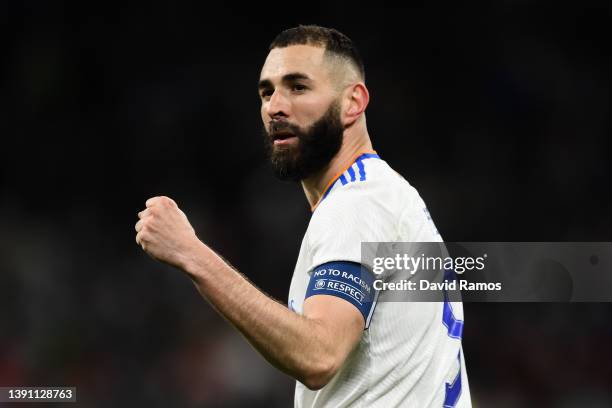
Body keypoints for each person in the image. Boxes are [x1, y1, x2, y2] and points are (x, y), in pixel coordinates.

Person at [135, 25, 471, 407]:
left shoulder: (358, 202)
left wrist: (191, 253)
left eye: (298, 87)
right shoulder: (389, 195)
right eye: (267, 91)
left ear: (353, 102)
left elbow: (319, 355)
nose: (275, 106)